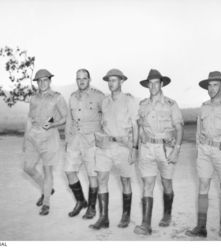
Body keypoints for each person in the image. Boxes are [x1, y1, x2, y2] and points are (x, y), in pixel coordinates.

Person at [186, 71, 221, 238]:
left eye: (215, 85)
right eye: (209, 85)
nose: (211, 88)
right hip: (204, 152)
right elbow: (198, 131)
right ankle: (201, 227)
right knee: (203, 186)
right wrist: (199, 148)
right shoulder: (203, 107)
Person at [134, 69, 184, 235]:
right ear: (147, 85)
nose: (153, 86)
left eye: (157, 82)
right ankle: (146, 224)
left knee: (166, 183)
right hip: (147, 149)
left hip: (165, 149)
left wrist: (176, 149)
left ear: (162, 84)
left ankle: (167, 214)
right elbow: (139, 127)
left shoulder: (171, 104)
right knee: (147, 184)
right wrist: (136, 148)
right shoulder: (142, 105)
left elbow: (179, 127)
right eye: (150, 83)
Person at [89, 69, 139, 230]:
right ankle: (103, 218)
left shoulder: (129, 101)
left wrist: (134, 148)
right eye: (109, 81)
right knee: (101, 178)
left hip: (123, 146)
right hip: (106, 146)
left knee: (125, 180)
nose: (111, 84)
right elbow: (103, 123)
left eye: (114, 80)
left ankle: (126, 215)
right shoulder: (105, 102)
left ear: (122, 81)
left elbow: (135, 125)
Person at [22, 69, 68, 216]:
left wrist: (53, 125)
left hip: (49, 138)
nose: (42, 83)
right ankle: (46, 188)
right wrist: (25, 138)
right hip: (33, 137)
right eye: (39, 81)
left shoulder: (57, 97)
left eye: (45, 80)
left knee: (47, 170)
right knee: (28, 168)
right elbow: (29, 118)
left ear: (50, 81)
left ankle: (46, 202)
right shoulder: (34, 98)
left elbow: (65, 118)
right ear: (37, 82)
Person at [65, 69, 105, 219]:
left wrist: (103, 137)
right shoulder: (73, 97)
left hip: (91, 141)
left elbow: (106, 116)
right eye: (78, 79)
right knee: (69, 171)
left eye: (84, 78)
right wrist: (68, 139)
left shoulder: (99, 96)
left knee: (92, 175)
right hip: (75, 140)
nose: (81, 81)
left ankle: (92, 208)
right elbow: (69, 119)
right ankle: (81, 201)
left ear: (90, 79)